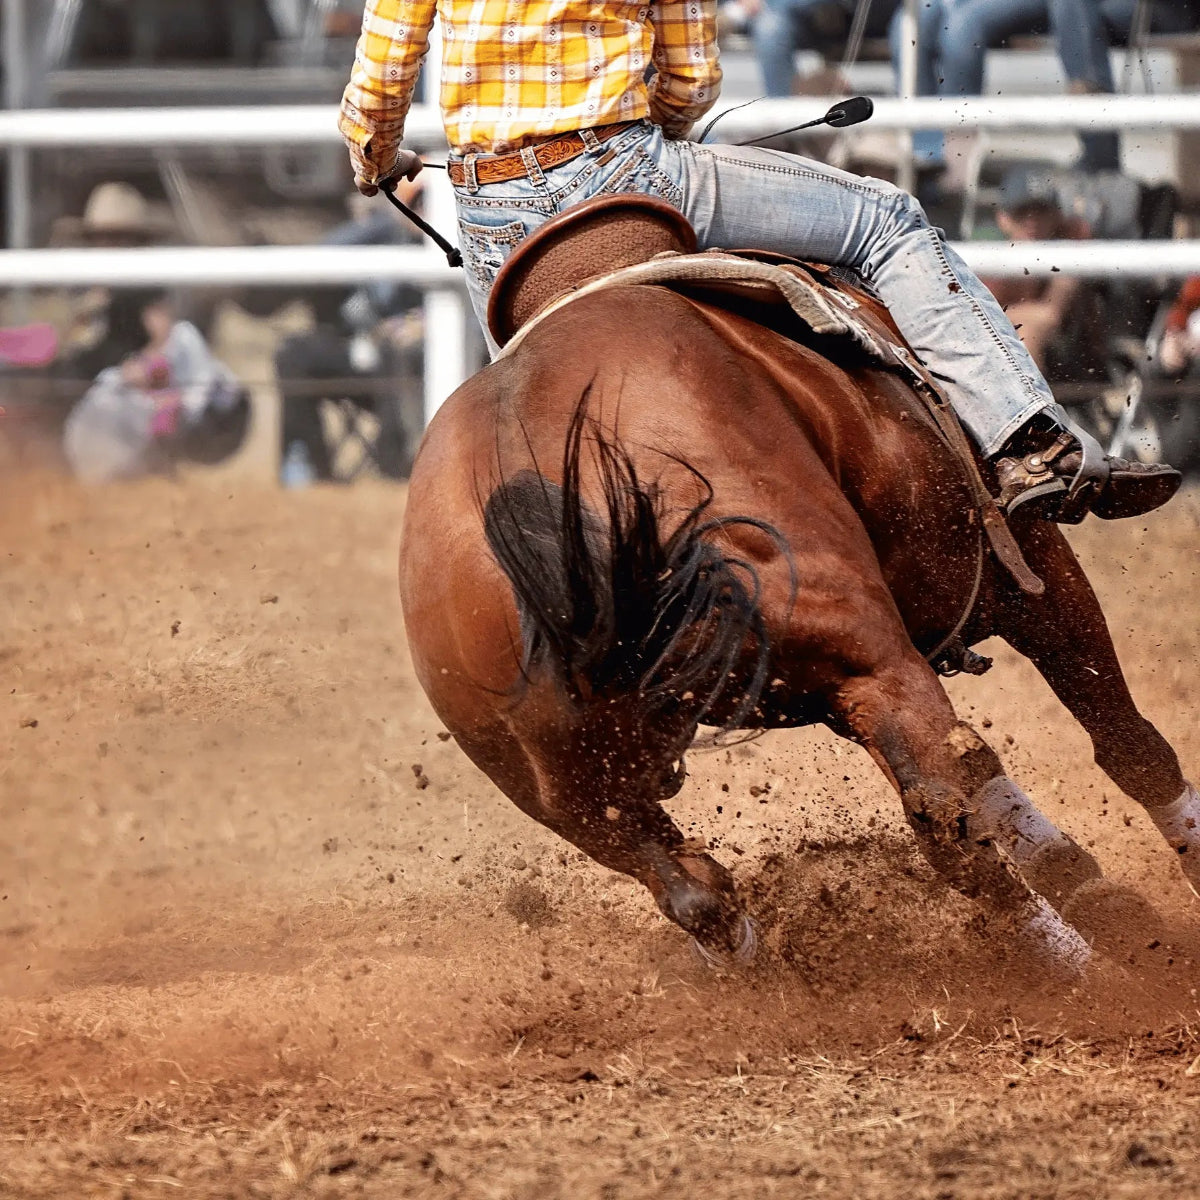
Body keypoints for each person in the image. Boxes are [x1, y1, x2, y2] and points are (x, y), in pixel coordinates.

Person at [339, 0, 1178, 523]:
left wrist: (377, 160)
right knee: (885, 220)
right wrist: (652, 120)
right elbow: (691, 82)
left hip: (494, 218)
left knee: (533, 398)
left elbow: (378, 88)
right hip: (622, 172)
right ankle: (1026, 441)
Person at [274, 185, 426, 483]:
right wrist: (378, 223)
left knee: (397, 350)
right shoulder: (381, 236)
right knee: (293, 354)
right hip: (364, 354)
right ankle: (310, 468)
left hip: (418, 369)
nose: (424, 210)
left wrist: (424, 326)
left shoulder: (466, 240)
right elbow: (323, 253)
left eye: (431, 202)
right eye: (417, 201)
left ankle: (397, 469)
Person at [63, 291, 246, 482]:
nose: (155, 321)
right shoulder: (135, 353)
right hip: (172, 417)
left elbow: (201, 385)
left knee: (161, 416)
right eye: (151, 315)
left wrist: (175, 402)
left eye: (159, 313)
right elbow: (109, 384)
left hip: (221, 414)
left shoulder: (183, 335)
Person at [744, 0, 901, 99]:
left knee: (909, 26)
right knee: (769, 28)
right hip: (809, 14)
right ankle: (784, 131)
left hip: (885, 12)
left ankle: (919, 142)